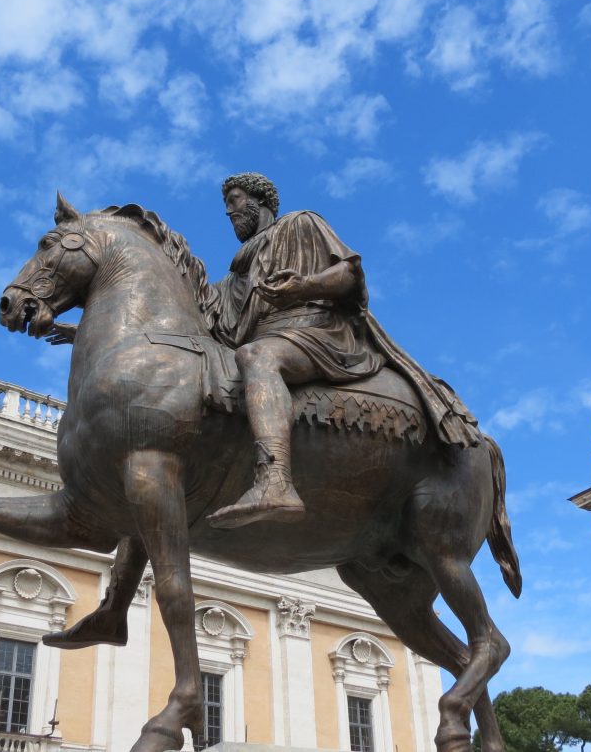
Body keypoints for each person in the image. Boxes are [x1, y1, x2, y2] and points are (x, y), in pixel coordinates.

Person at [204, 173, 482, 529]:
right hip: (272, 337)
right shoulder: (234, 276)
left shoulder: (300, 223)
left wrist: (303, 286)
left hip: (317, 330)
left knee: (258, 357)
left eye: (234, 200)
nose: (228, 212)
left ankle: (275, 479)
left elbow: (349, 275)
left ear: (260, 201)